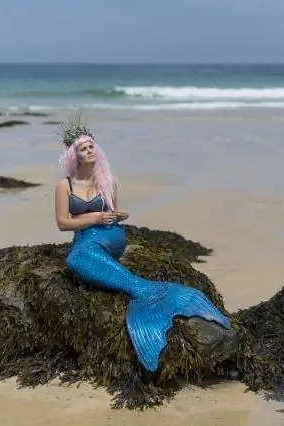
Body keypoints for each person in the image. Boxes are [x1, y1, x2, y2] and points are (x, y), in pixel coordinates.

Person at [53, 121, 231, 373]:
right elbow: (62, 223)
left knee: (79, 258)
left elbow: (111, 213)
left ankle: (145, 292)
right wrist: (94, 218)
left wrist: (115, 216)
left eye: (92, 146)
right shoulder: (65, 186)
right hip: (85, 237)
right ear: (74, 156)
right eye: (83, 149)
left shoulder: (107, 181)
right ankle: (148, 292)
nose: (90, 151)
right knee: (77, 258)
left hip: (110, 235)